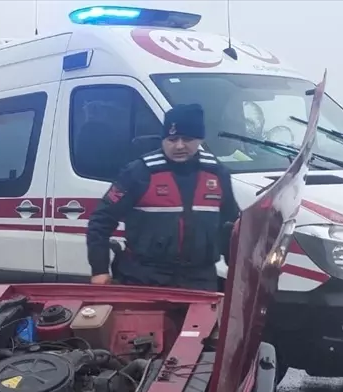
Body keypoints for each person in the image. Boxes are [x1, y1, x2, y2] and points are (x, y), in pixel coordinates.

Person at [85, 104, 241, 291]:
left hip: (199, 280)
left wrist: (238, 269)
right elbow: (100, 222)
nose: (179, 146)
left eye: (187, 139)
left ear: (200, 139)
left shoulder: (217, 173)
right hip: (143, 278)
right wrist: (99, 270)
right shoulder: (138, 173)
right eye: (172, 139)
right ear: (163, 139)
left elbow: (231, 227)